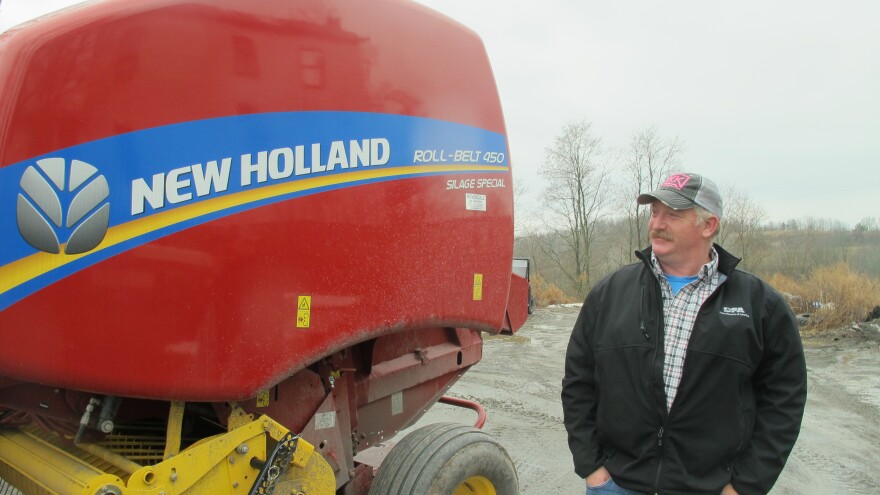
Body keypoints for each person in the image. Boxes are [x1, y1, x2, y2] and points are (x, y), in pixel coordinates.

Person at [561, 172, 807, 495]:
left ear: (709, 226)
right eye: (654, 213)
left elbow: (784, 401)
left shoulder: (760, 306)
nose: (656, 224)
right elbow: (578, 383)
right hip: (618, 485)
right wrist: (592, 468)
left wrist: (745, 486)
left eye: (673, 215)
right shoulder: (610, 294)